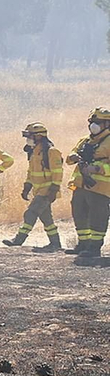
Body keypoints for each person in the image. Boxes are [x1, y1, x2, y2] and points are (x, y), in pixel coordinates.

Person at [4, 122, 65, 251]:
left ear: (39, 137)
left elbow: (58, 172)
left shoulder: (51, 151)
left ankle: (18, 240)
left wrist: (54, 189)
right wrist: (27, 186)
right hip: (38, 191)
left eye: (30, 136)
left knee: (30, 213)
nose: (28, 139)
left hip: (47, 191)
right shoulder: (35, 152)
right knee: (46, 218)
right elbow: (31, 172)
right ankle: (56, 243)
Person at [66, 107, 110, 266]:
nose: (93, 125)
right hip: (80, 186)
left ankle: (94, 247)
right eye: (92, 122)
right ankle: (83, 244)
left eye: (97, 122)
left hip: (100, 188)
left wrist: (97, 169)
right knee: (79, 213)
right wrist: (73, 157)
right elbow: (70, 157)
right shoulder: (85, 140)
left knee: (98, 216)